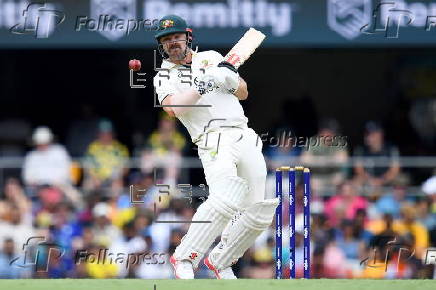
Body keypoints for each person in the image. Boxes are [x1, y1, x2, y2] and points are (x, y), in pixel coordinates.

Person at [152, 15, 278, 279]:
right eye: (166, 40)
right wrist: (202, 85)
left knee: (259, 211)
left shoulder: (210, 57)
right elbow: (174, 108)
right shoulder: (163, 75)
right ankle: (185, 257)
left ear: (187, 36)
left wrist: (229, 80)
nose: (172, 42)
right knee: (225, 197)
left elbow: (243, 92)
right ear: (161, 45)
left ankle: (221, 261)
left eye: (176, 36)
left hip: (243, 133)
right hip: (212, 138)